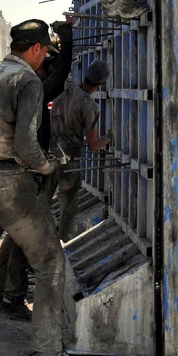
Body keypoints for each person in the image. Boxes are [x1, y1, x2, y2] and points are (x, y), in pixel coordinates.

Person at [0, 19, 87, 356]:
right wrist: (47, 168)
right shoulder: (26, 80)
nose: (44, 57)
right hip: (9, 184)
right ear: (35, 49)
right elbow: (27, 145)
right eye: (44, 51)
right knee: (49, 263)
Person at [0, 20, 74, 319]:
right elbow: (60, 76)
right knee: (25, 241)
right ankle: (12, 298)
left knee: (12, 238)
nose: (46, 71)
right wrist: (67, 36)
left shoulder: (4, 82)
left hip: (6, 173)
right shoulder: (30, 87)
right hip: (27, 175)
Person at [51, 60, 112, 241]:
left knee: (43, 199)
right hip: (70, 162)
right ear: (103, 84)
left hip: (47, 153)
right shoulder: (90, 107)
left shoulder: (66, 88)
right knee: (68, 206)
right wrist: (109, 137)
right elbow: (93, 145)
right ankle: (60, 244)